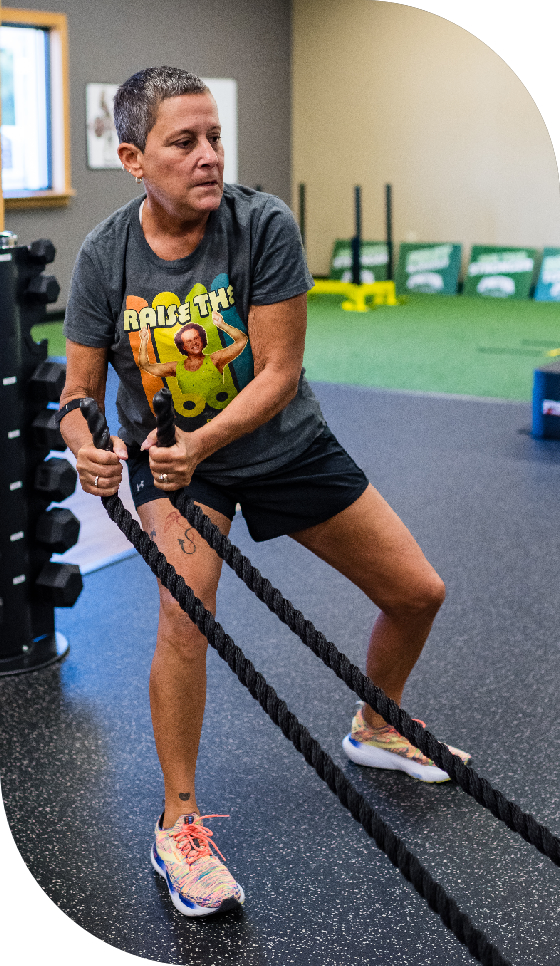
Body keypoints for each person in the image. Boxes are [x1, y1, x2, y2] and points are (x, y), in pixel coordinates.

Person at [58, 66, 470, 919]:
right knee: (187, 623)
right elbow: (77, 397)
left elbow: (279, 374)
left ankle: (376, 724)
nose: (208, 157)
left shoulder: (262, 224)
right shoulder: (106, 256)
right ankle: (179, 825)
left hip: (276, 444)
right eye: (184, 142)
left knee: (418, 592)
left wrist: (201, 439)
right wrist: (87, 449)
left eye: (214, 138)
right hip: (181, 468)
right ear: (134, 157)